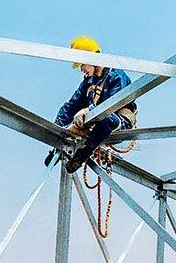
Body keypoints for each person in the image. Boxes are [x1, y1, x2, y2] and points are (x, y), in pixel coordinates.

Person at [52, 36, 137, 173]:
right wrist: (56, 130)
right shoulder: (89, 81)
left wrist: (87, 110)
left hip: (119, 122)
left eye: (82, 65)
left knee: (108, 118)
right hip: (96, 124)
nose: (81, 69)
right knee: (73, 120)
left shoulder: (116, 76)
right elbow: (71, 105)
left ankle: (84, 153)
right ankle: (56, 151)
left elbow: (112, 105)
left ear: (91, 59)